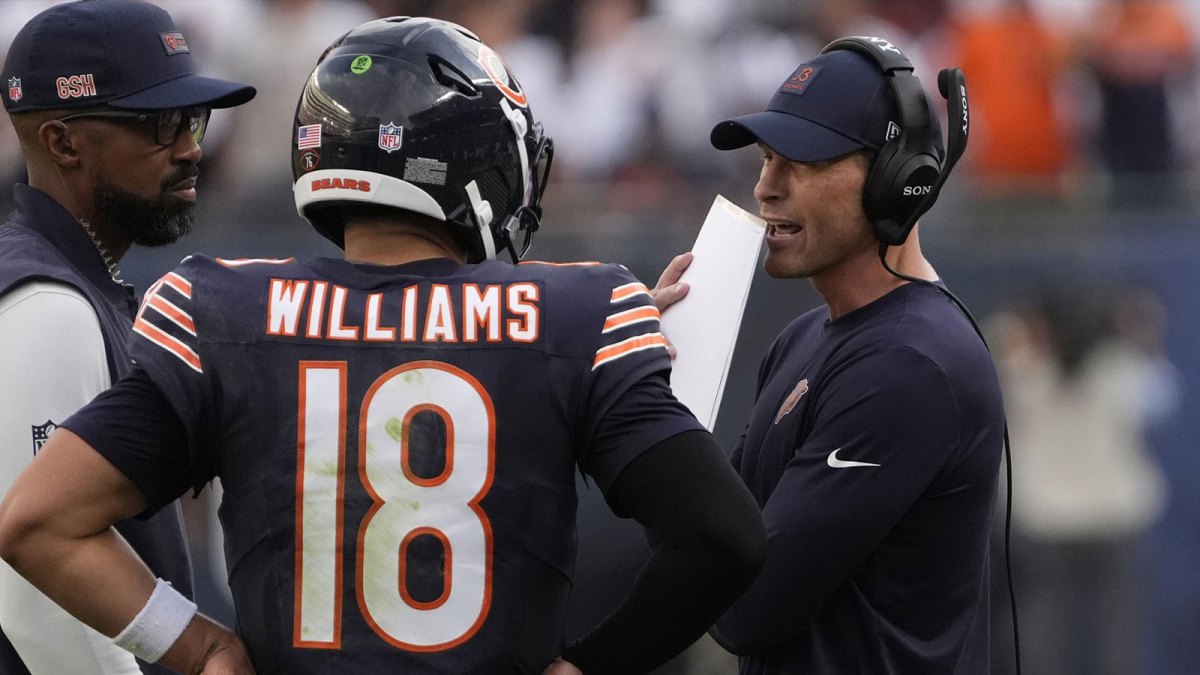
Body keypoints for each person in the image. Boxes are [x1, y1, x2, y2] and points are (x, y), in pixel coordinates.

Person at [0, 16, 766, 675]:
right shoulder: (577, 311)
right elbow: (724, 536)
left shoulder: (223, 309)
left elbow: (39, 520)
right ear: (482, 162)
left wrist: (197, 647)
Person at [658, 36, 1006, 673]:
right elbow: (706, 535)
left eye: (801, 162)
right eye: (765, 160)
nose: (765, 188)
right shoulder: (805, 338)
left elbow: (744, 606)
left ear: (899, 179)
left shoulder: (908, 365)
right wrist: (644, 383)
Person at [0, 1, 256, 673]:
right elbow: (42, 600)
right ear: (62, 142)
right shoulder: (46, 303)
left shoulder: (66, 281)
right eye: (159, 124)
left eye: (193, 119)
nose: (190, 146)